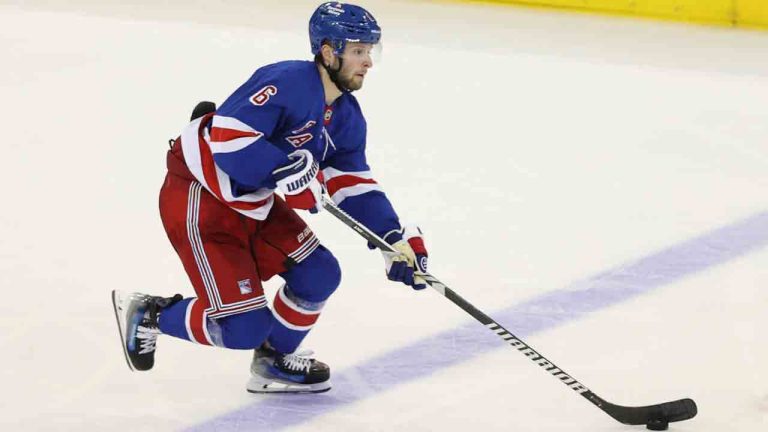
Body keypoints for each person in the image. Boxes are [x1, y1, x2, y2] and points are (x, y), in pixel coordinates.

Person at [111, 2, 429, 394]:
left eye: (370, 51)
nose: (368, 62)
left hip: (254, 201)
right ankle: (153, 314)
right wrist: (281, 168)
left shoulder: (345, 114)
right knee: (243, 328)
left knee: (319, 273)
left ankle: (272, 361)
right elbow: (228, 135)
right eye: (358, 51)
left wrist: (391, 238)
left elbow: (351, 180)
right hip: (201, 199)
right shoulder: (288, 80)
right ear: (329, 51)